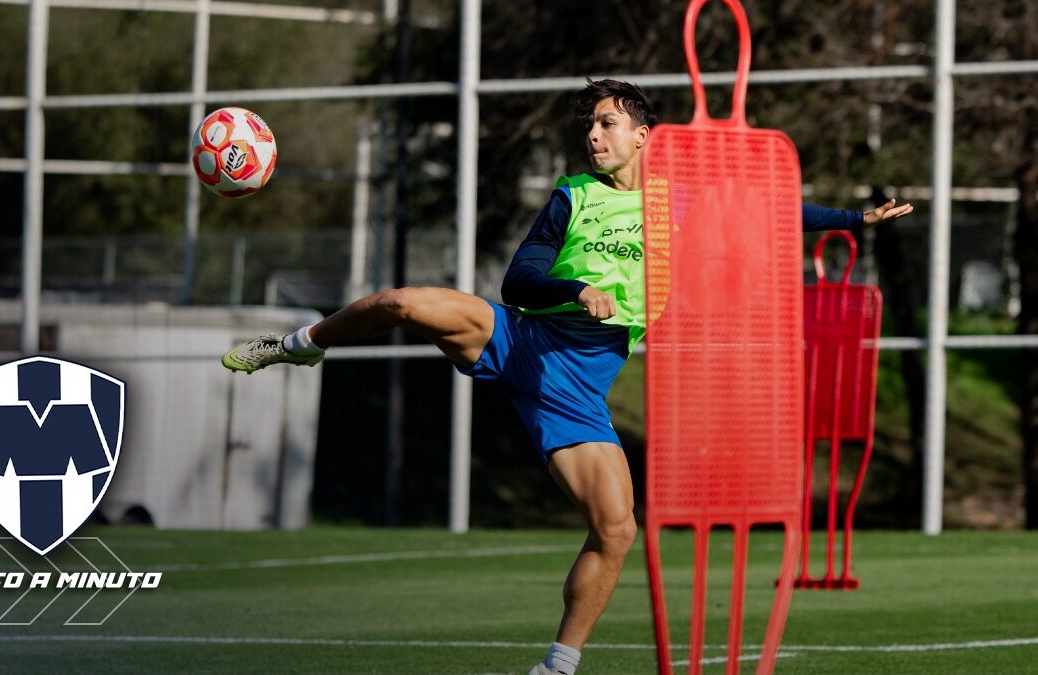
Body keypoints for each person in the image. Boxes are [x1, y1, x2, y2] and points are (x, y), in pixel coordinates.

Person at [221, 79, 913, 675]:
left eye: (607, 122)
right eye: (589, 124)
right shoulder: (572, 196)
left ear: (644, 134)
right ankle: (298, 343)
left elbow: (767, 212)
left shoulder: (681, 201)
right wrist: (576, 287)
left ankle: (559, 663)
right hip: (521, 337)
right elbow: (518, 275)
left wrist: (855, 218)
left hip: (578, 385)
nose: (594, 134)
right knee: (403, 302)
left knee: (616, 530)